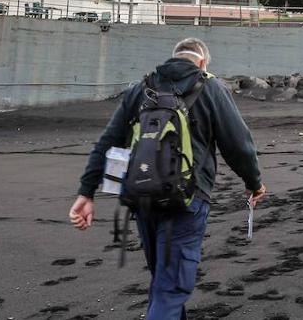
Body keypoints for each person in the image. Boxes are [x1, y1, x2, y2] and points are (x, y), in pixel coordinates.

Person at [70, 38, 266, 320]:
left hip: (143, 196)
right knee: (170, 288)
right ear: (202, 62)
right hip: (188, 198)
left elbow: (108, 142)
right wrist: (254, 182)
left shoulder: (142, 88)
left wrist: (85, 193)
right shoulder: (210, 86)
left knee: (163, 280)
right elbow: (238, 144)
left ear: (174, 58)